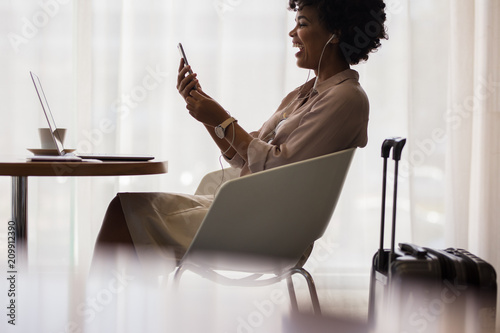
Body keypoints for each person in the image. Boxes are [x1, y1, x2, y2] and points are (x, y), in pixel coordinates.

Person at [92, 0, 388, 271]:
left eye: (302, 23)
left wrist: (220, 116)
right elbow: (241, 155)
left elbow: (274, 169)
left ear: (335, 33)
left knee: (127, 214)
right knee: (126, 209)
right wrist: (204, 111)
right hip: (251, 210)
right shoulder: (303, 94)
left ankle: (95, 321)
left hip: (272, 229)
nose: (292, 33)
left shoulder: (345, 98)